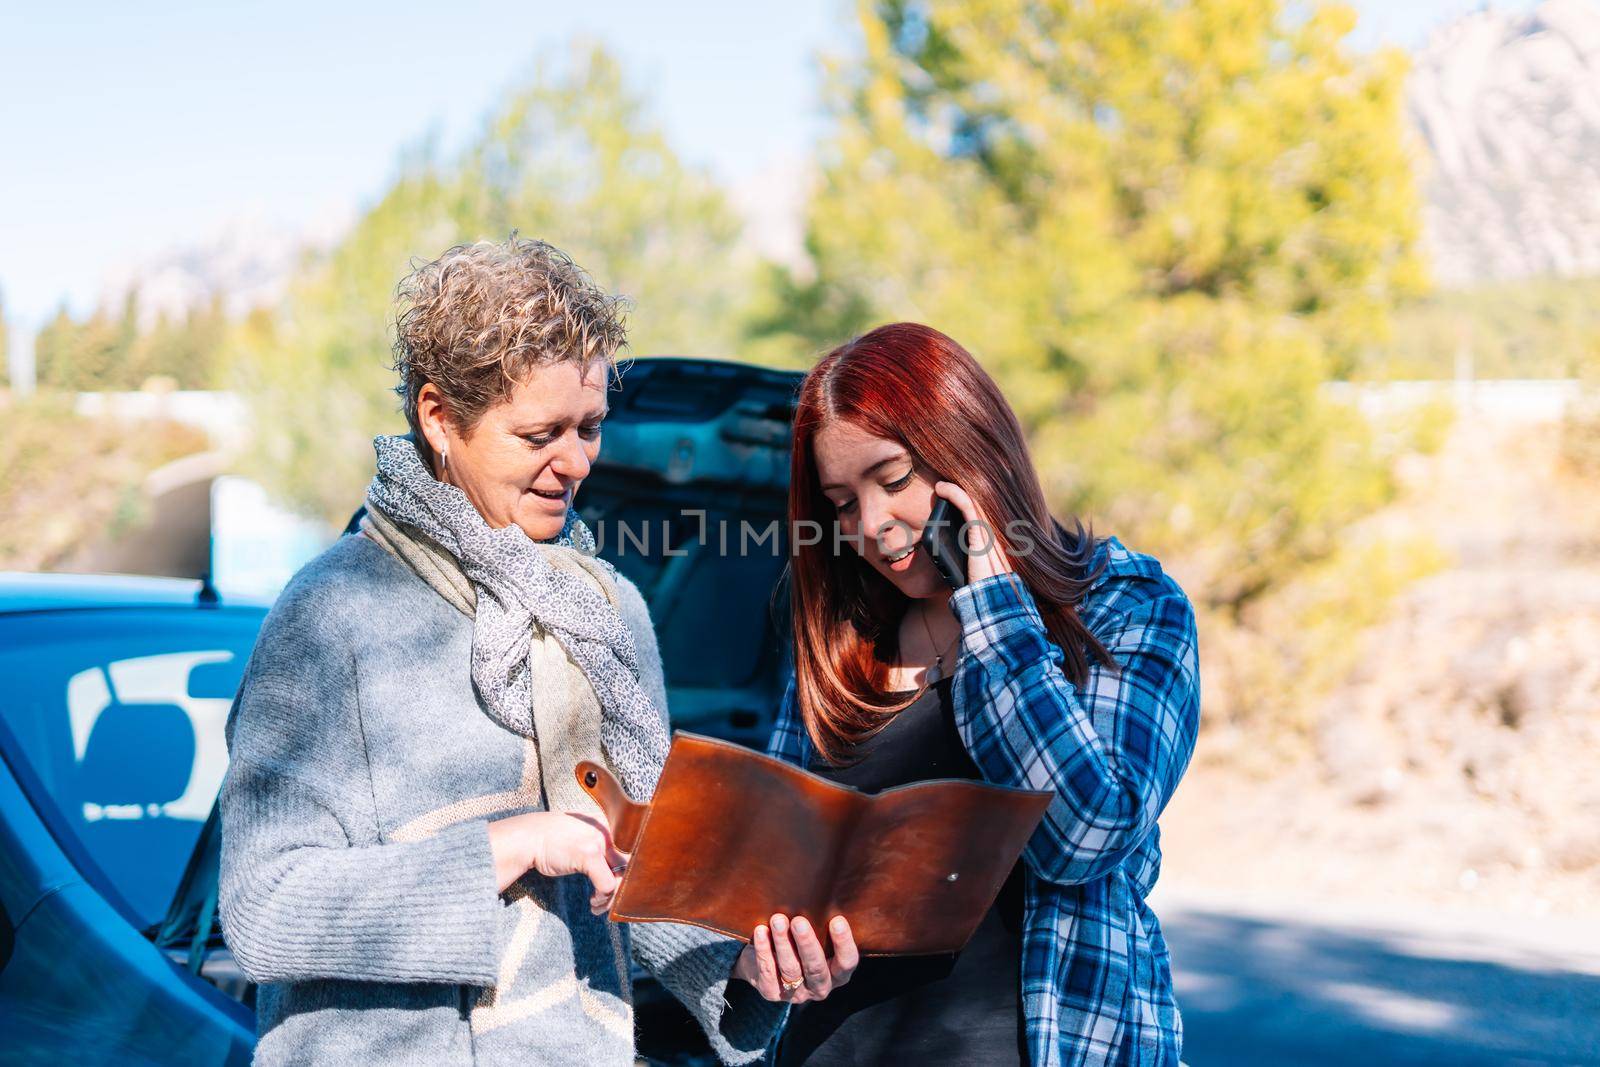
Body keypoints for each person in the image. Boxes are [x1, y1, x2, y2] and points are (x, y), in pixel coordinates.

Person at [216, 235, 823, 1065]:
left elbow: (639, 868)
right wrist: (517, 844)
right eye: (540, 432)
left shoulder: (610, 612)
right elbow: (264, 909)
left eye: (592, 427)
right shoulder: (329, 616)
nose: (574, 463)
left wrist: (748, 966)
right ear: (439, 416)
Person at [761, 322, 1201, 1066]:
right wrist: (764, 945)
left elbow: (1084, 834)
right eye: (842, 503)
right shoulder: (838, 640)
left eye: (893, 479)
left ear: (969, 449)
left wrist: (990, 602)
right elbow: (772, 865)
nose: (871, 525)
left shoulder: (1128, 607)